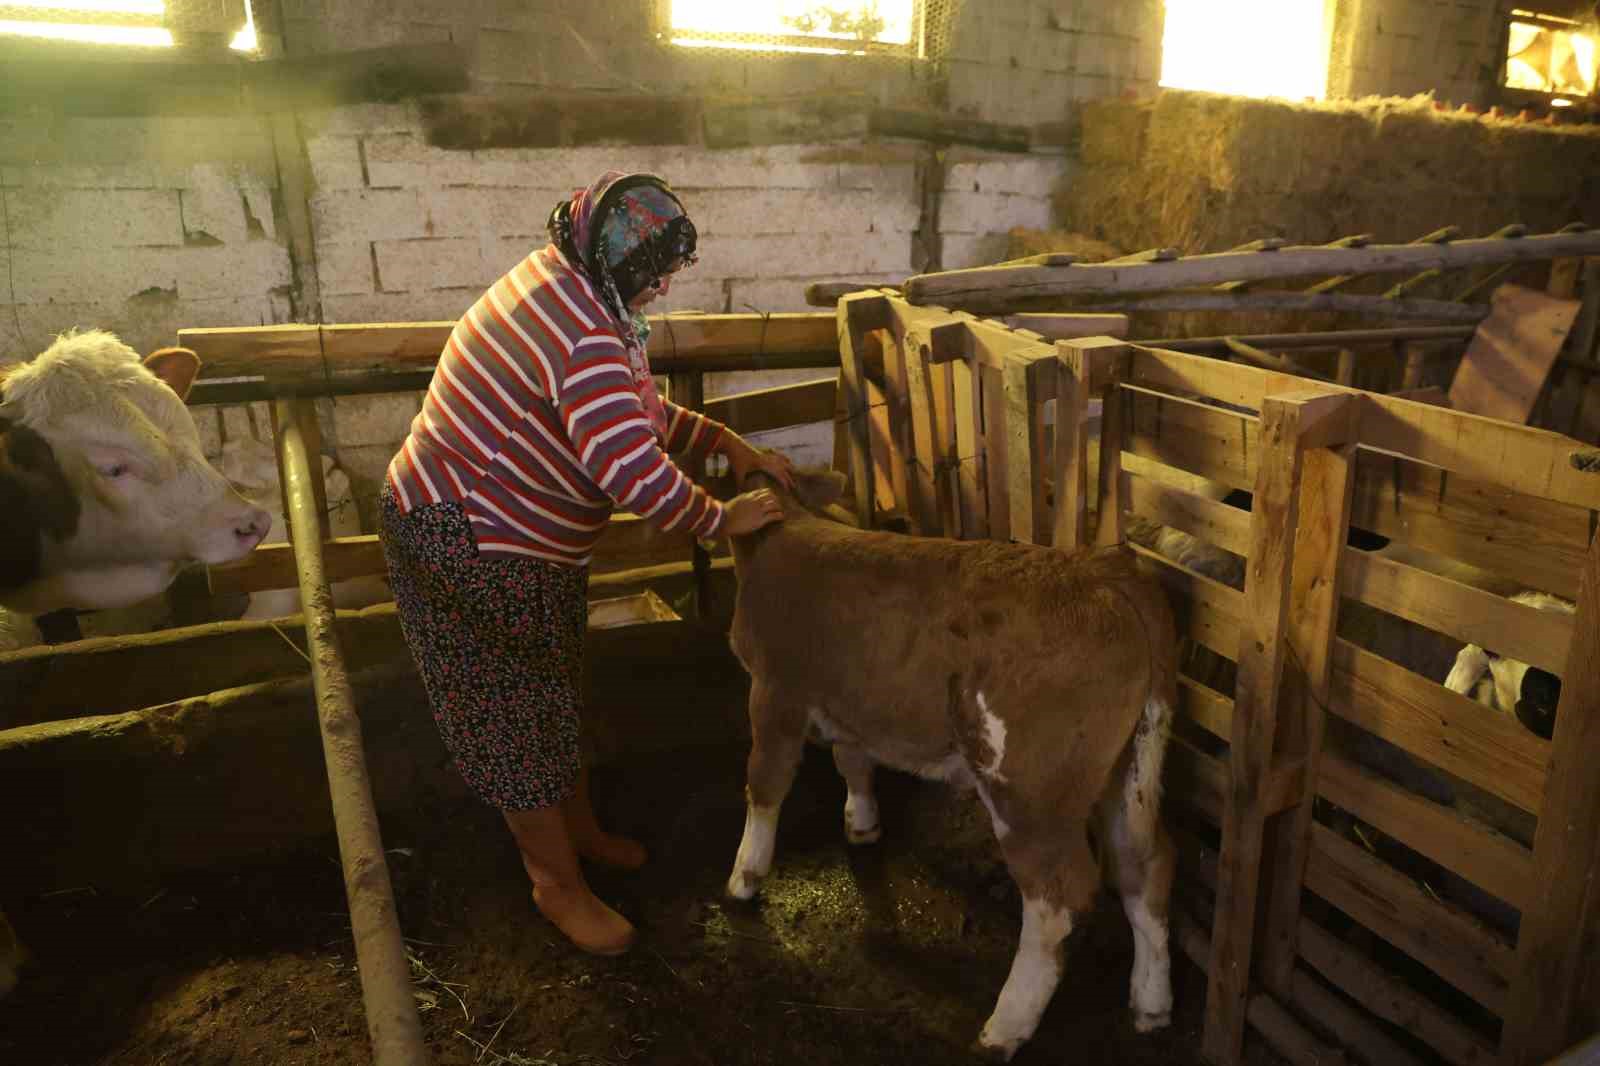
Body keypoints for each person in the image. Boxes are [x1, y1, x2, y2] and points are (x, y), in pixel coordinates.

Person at [378, 170, 793, 956]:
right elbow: (630, 470)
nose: (662, 286)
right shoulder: (581, 328)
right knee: (514, 715)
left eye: (666, 269)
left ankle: (578, 832)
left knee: (550, 692)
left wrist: (718, 439)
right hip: (471, 542)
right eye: (650, 272)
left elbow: (631, 411)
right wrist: (721, 519)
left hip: (519, 541)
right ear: (609, 256)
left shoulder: (579, 287)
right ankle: (555, 885)